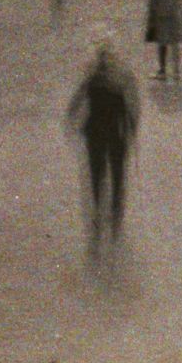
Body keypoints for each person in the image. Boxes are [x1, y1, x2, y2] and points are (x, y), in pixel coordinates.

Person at [68, 34, 141, 248]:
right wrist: (132, 129)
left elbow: (76, 102)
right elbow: (132, 108)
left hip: (96, 133)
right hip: (115, 133)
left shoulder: (93, 78)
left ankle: (102, 213)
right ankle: (115, 213)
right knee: (115, 175)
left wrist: (72, 121)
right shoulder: (121, 78)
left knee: (98, 175)